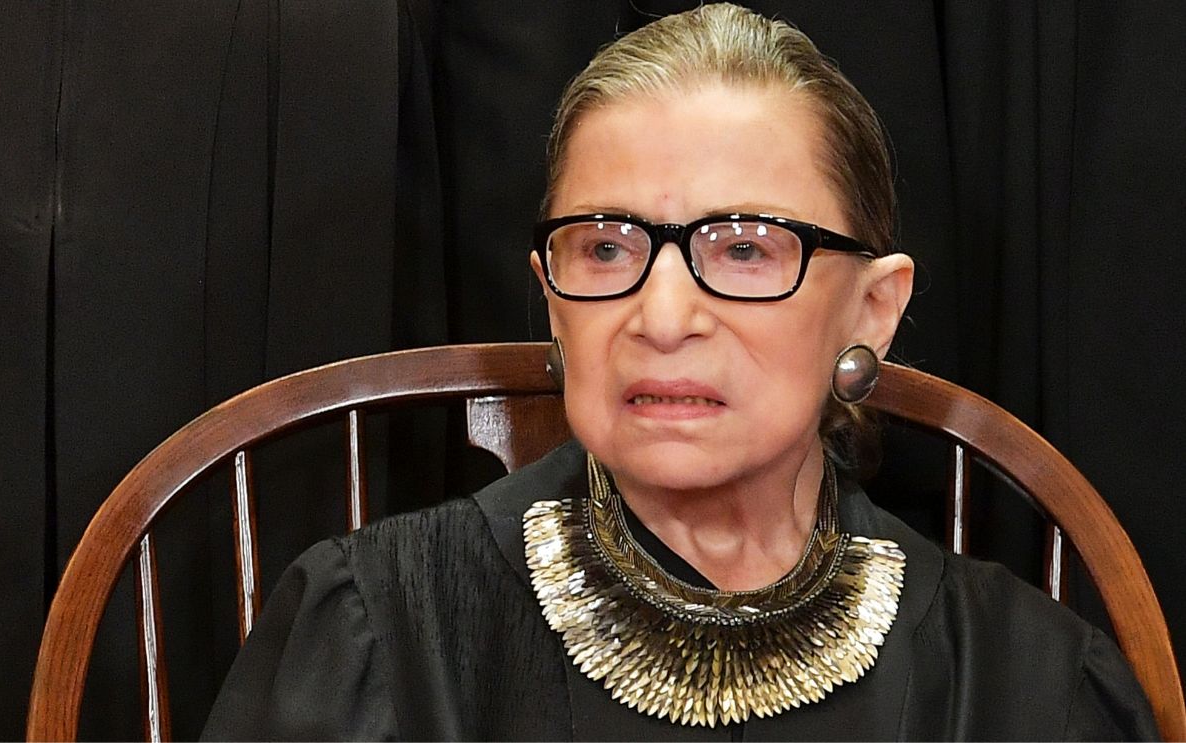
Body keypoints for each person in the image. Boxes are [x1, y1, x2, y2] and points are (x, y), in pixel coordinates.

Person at [202, 4, 1158, 740]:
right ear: (550, 294)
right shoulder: (375, 630)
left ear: (872, 309)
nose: (659, 317)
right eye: (606, 248)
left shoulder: (1023, 683)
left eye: (745, 247)